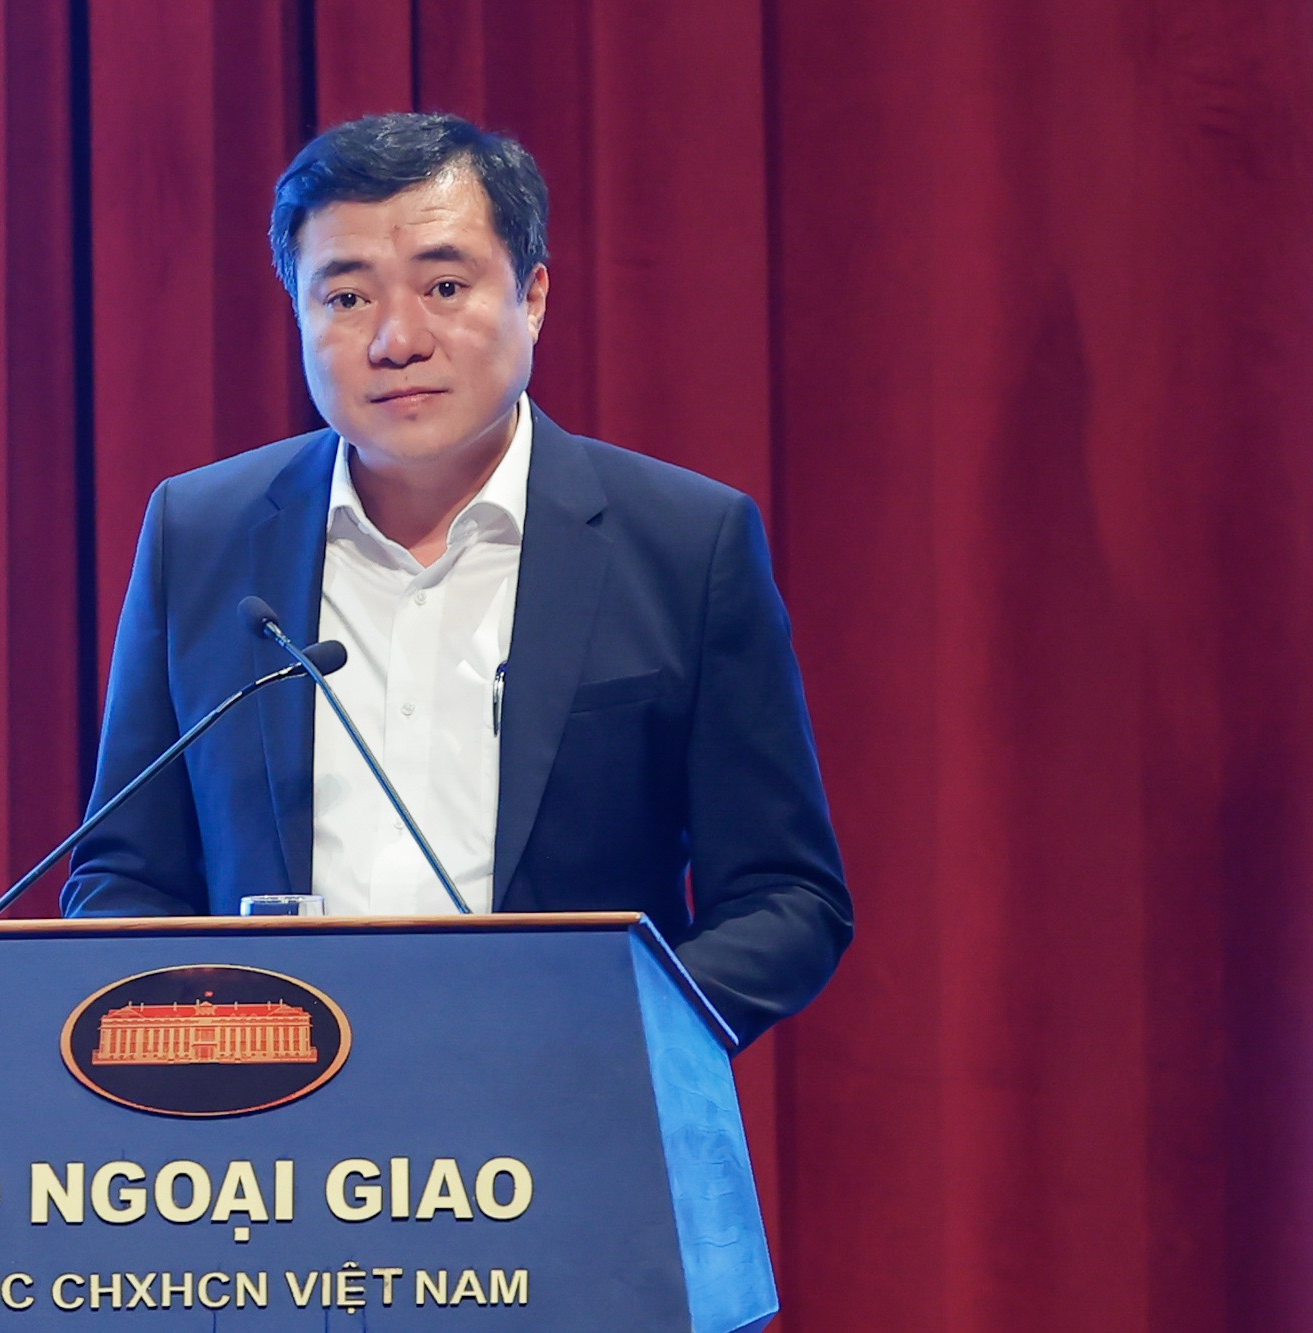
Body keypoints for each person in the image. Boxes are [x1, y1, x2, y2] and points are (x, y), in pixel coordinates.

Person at [61, 112, 850, 1048]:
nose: (397, 339)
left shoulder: (683, 542)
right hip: (268, 1109)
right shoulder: (202, 535)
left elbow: (784, 898)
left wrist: (612, 1036)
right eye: (346, 298)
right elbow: (125, 874)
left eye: (443, 286)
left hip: (564, 1103)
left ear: (533, 296)